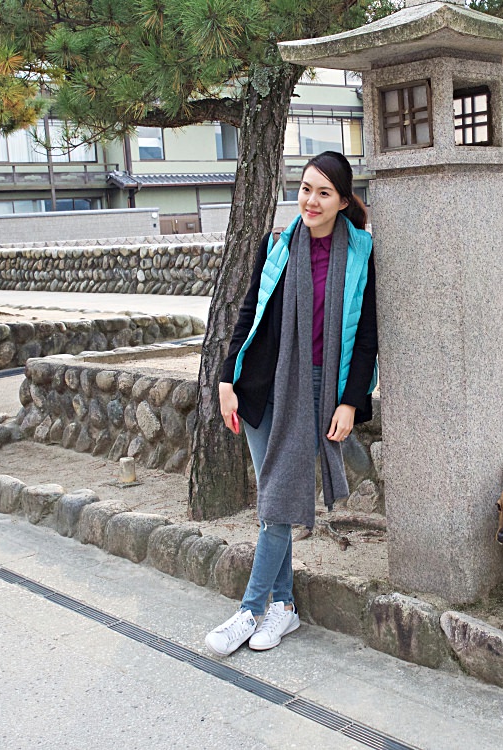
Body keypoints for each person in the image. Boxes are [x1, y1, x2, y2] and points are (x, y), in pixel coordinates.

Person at [204, 151, 378, 656]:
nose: (311, 200)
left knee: (277, 505)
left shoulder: (361, 253)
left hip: (319, 390)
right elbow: (247, 314)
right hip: (262, 383)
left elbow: (366, 338)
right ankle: (283, 608)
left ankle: (249, 610)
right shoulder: (277, 245)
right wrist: (225, 379)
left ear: (343, 201)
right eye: (305, 188)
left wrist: (350, 403)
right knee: (273, 506)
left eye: (324, 192)